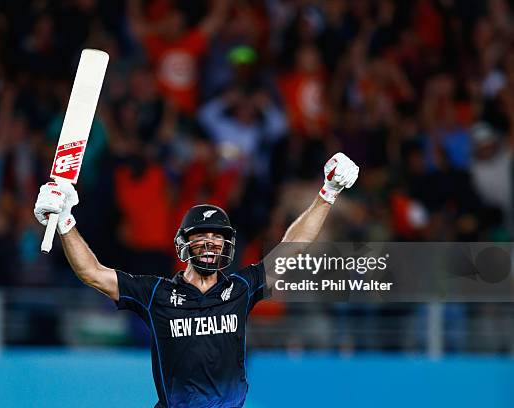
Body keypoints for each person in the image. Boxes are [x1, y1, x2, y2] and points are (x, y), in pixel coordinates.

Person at [33, 152, 359, 408]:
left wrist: (328, 193)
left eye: (217, 238)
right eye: (200, 236)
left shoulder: (240, 289)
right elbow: (92, 273)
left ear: (226, 245)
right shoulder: (156, 294)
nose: (209, 243)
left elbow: (291, 251)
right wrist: (65, 222)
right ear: (184, 245)